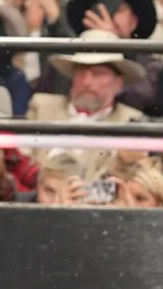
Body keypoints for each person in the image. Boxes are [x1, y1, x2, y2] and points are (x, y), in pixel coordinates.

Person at [25, 36, 147, 185]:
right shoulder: (42, 106)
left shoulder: (130, 121)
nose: (86, 82)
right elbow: (22, 163)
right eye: (81, 72)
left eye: (97, 73)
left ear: (118, 83)